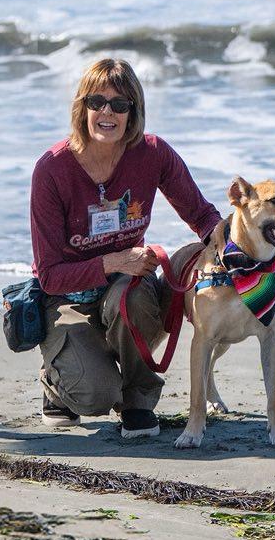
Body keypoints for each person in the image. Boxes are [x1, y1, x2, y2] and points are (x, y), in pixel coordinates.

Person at [28, 58, 221, 439]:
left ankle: (138, 400)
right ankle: (56, 379)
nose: (107, 112)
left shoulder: (152, 153)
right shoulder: (52, 168)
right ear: (81, 107)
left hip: (126, 286)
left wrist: (238, 247)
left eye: (119, 104)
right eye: (97, 102)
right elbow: (49, 275)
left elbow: (202, 215)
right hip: (67, 297)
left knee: (181, 262)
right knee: (97, 395)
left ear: (133, 111)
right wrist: (113, 260)